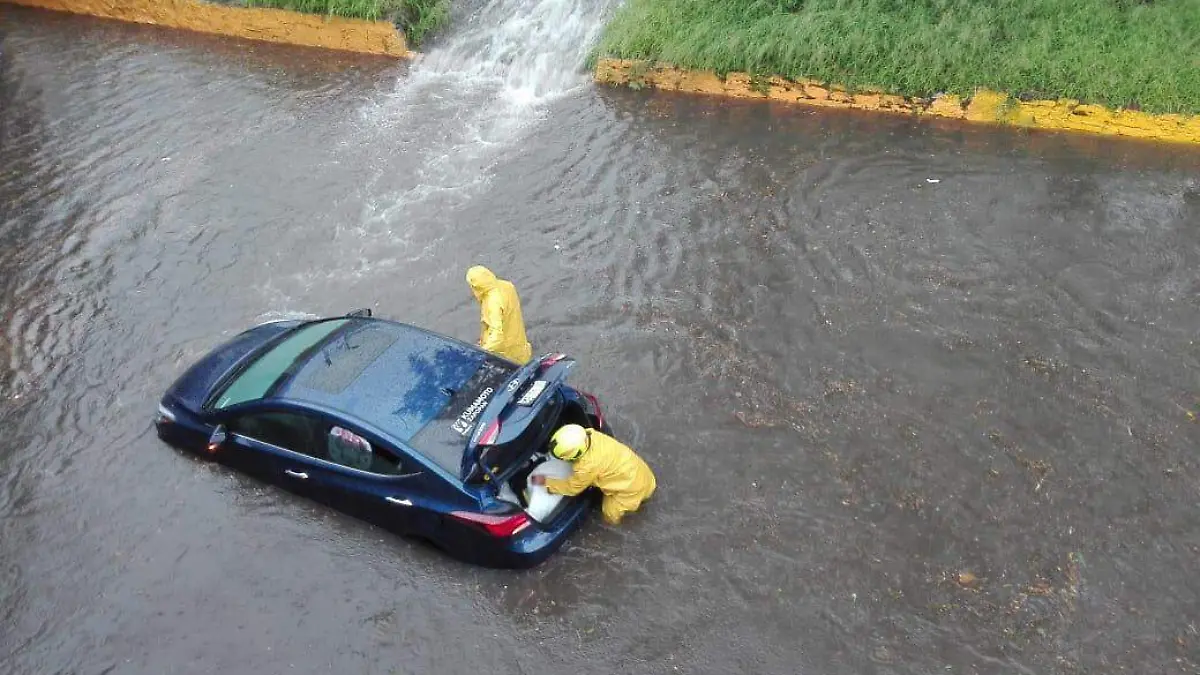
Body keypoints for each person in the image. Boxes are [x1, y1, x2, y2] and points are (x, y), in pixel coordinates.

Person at [530, 424, 657, 526]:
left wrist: (546, 482)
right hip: (642, 473)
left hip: (630, 489)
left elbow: (572, 488)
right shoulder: (590, 434)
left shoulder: (586, 466)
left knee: (610, 515)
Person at [466, 265, 532, 364]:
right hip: (520, 345)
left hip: (507, 355)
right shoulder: (506, 286)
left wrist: (481, 352)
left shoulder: (492, 303)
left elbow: (497, 337)